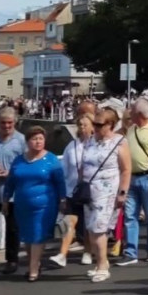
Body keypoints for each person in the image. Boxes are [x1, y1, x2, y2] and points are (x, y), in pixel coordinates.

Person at [2, 126, 66, 280]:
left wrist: (62, 200)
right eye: (34, 139)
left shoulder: (51, 160)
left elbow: (60, 183)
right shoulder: (19, 160)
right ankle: (35, 263)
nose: (38, 142)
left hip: (45, 205)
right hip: (22, 204)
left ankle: (32, 269)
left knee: (38, 235)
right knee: (27, 236)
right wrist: (5, 199)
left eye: (41, 139)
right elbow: (10, 182)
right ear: (27, 141)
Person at [81, 107, 131, 283]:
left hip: (107, 190)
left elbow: (126, 170)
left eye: (99, 124)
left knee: (98, 228)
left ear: (110, 125)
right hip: (89, 191)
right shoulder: (90, 141)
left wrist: (122, 192)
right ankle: (100, 263)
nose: (95, 127)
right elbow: (83, 164)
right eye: (94, 123)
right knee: (90, 228)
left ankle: (102, 264)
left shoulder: (119, 142)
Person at [117, 99, 148, 266]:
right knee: (130, 215)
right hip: (132, 177)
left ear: (139, 114)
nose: (129, 113)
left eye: (132, 111)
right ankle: (131, 252)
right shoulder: (131, 129)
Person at [50, 114, 94, 268]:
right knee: (69, 222)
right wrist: (62, 195)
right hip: (72, 191)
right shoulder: (71, 146)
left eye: (85, 124)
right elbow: (64, 171)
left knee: (88, 224)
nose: (82, 128)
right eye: (80, 124)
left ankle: (88, 251)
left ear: (92, 126)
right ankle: (62, 254)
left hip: (90, 191)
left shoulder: (96, 145)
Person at [0, 107, 25, 275]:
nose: (6, 126)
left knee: (13, 228)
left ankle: (11, 259)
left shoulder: (21, 141)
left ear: (15, 123)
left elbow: (28, 165)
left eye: (10, 123)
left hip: (13, 192)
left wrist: (10, 173)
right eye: (3, 123)